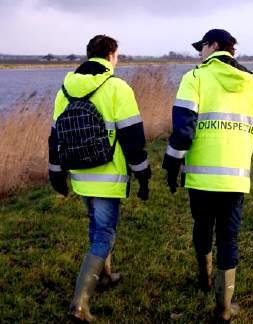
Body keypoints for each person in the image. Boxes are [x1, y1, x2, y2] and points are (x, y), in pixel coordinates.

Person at [162, 29, 253, 323]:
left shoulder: (195, 78)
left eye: (202, 47)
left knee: (202, 226)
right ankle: (224, 308)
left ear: (213, 46)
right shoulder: (252, 83)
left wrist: (172, 165)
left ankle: (204, 279)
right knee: (229, 237)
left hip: (200, 178)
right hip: (235, 178)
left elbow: (183, 131)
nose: (199, 52)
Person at [48, 34, 151, 322]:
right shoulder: (117, 87)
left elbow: (55, 137)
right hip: (108, 175)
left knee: (96, 225)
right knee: (104, 233)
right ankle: (79, 304)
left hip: (81, 174)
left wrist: (55, 171)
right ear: (111, 55)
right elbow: (133, 137)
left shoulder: (64, 90)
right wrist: (143, 174)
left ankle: (104, 275)